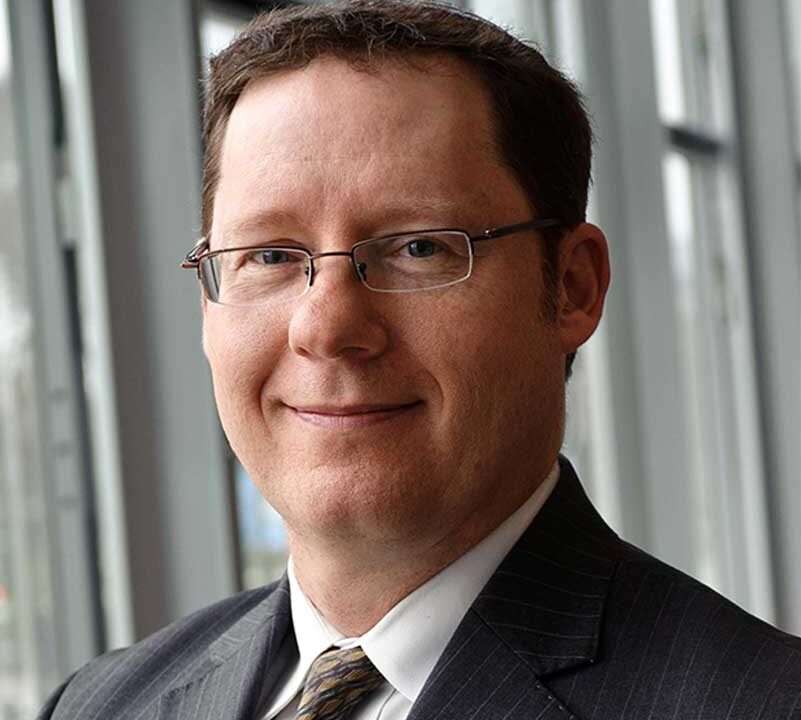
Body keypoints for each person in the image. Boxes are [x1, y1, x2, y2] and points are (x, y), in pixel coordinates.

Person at [38, 1, 801, 718]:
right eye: (269, 254)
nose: (328, 326)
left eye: (419, 247)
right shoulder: (100, 702)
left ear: (571, 288)